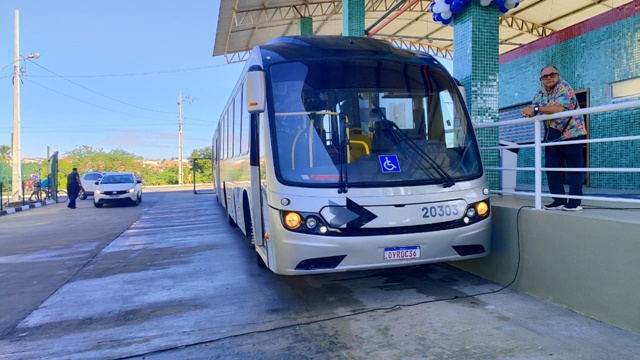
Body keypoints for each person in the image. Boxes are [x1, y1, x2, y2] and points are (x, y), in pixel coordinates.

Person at [521, 65, 588, 211]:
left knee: (574, 168)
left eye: (552, 74)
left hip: (572, 133)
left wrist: (537, 109)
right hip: (553, 134)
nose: (549, 78)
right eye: (545, 76)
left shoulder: (564, 86)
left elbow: (560, 108)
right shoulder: (540, 91)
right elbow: (534, 108)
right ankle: (558, 200)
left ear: (557, 75)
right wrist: (528, 111)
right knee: (550, 166)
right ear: (541, 79)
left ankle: (574, 203)